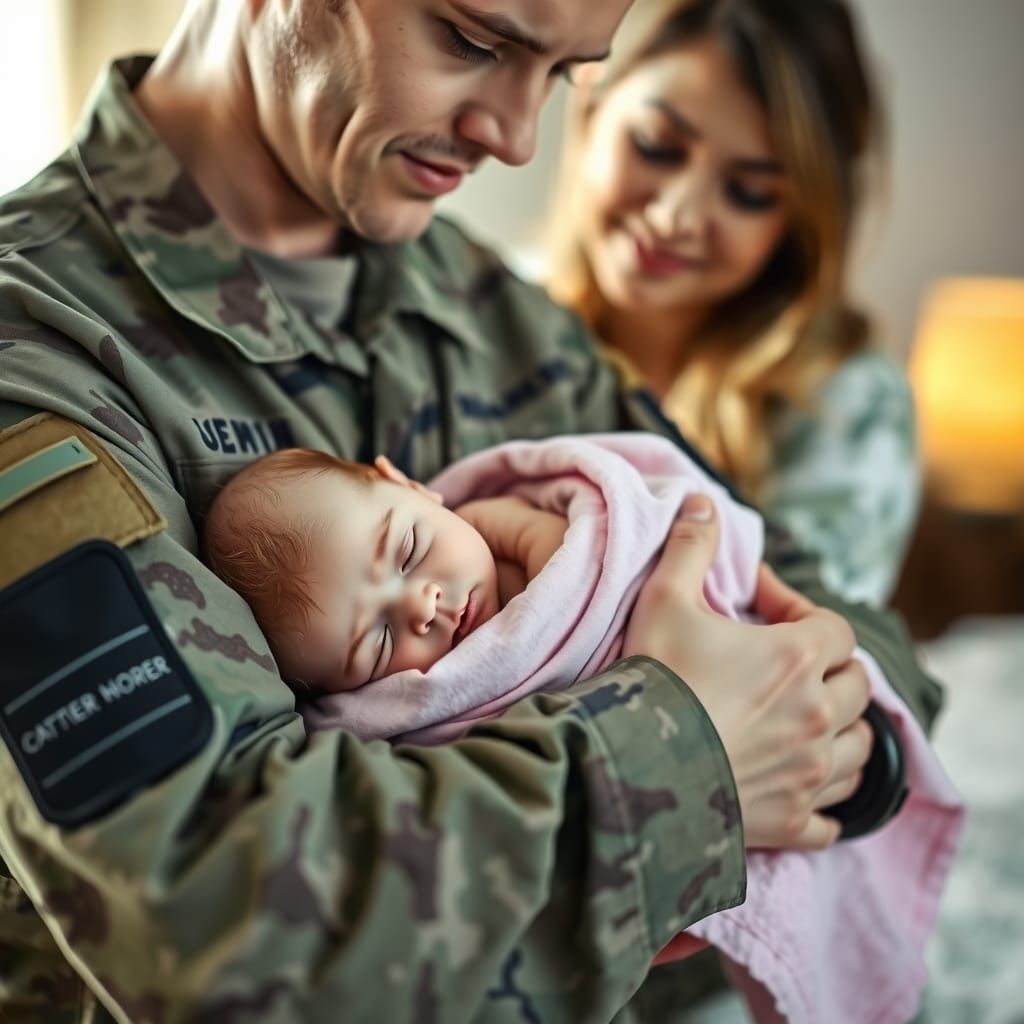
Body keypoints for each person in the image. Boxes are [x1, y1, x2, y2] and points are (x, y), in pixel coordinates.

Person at [0, 0, 941, 1020]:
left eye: (561, 73)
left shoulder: (488, 309)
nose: (517, 136)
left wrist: (828, 738)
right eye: (476, 40)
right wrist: (690, 749)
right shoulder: (39, 356)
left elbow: (840, 621)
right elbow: (223, 936)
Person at [200, 437, 960, 1024]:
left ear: (408, 483)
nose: (424, 604)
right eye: (376, 642)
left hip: (805, 707)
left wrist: (834, 689)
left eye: (405, 550)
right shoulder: (409, 723)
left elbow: (678, 538)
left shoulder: (546, 506)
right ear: (342, 690)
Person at [546, 0, 920, 605]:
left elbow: (791, 663)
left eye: (749, 192)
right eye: (656, 146)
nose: (676, 217)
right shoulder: (482, 307)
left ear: (801, 218)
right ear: (591, 99)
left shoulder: (848, 403)